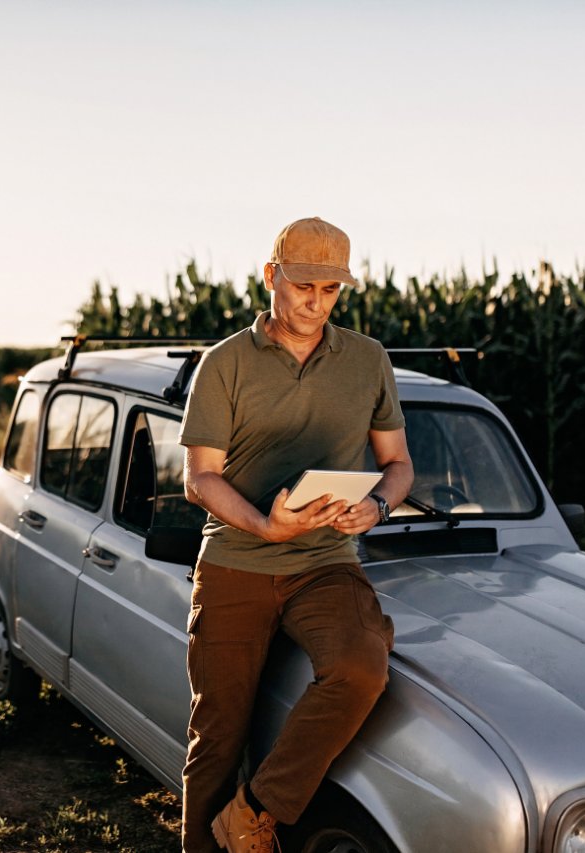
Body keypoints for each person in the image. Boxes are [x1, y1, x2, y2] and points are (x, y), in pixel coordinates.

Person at [178, 217, 414, 853]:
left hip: (325, 562)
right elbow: (200, 479)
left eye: (331, 290)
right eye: (304, 285)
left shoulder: (368, 360)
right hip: (235, 561)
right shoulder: (223, 363)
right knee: (219, 738)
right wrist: (263, 523)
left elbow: (398, 464)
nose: (316, 302)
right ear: (271, 276)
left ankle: (254, 812)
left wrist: (380, 508)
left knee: (361, 670)